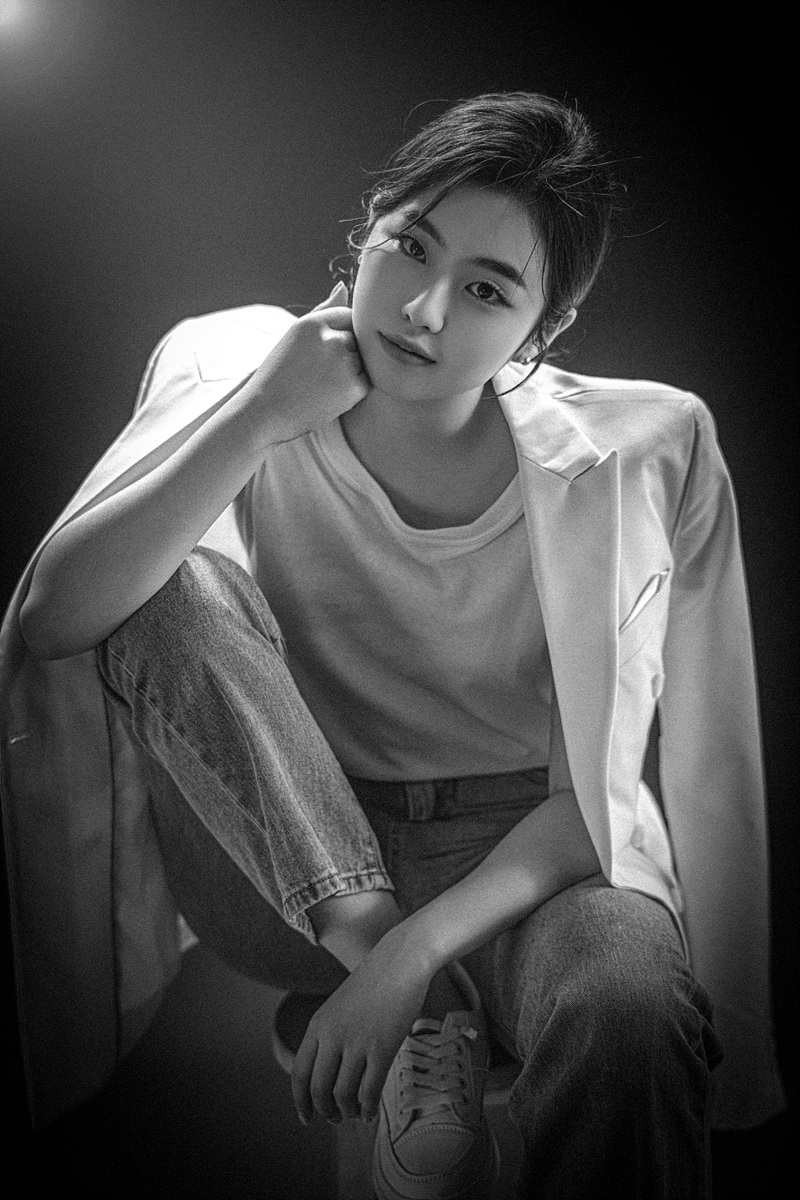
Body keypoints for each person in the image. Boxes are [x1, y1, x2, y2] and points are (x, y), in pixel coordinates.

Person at [2, 91, 785, 1199]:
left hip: (532, 863)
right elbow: (56, 618)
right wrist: (259, 417)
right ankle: (389, 968)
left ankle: (417, 993)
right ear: (366, 227)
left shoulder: (642, 450)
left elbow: (637, 782)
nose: (422, 310)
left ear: (545, 328)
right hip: (288, 853)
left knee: (626, 1011)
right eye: (409, 246)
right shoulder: (239, 365)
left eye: (485, 290)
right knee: (169, 581)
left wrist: (416, 957)